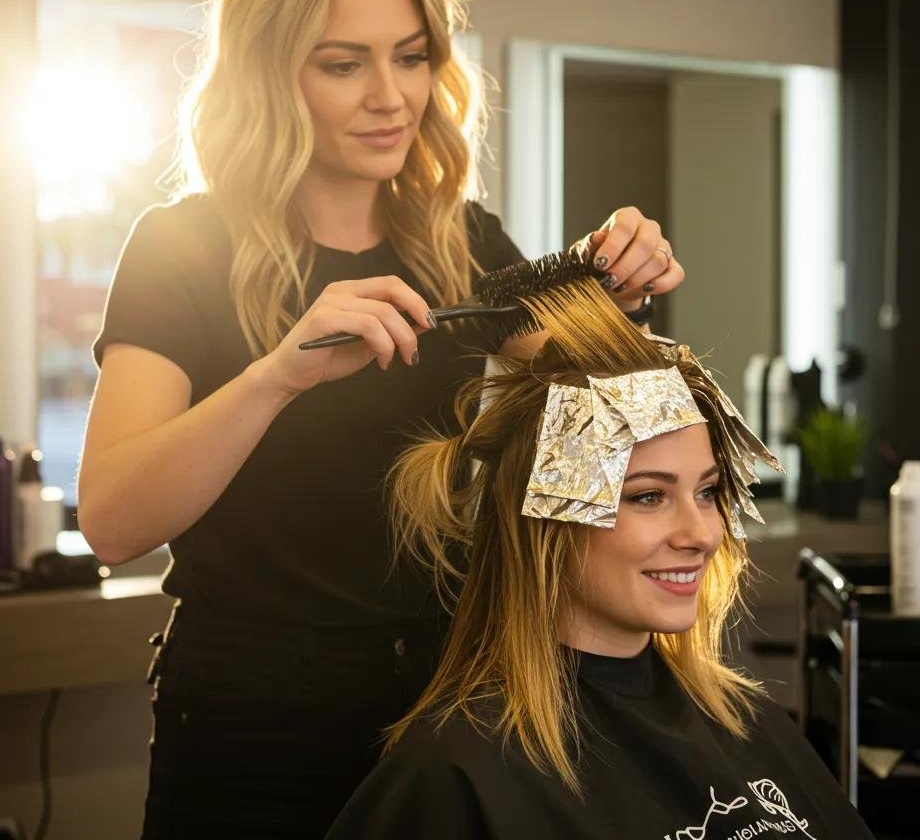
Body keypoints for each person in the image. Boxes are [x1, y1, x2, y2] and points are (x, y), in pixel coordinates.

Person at [77, 0, 684, 839]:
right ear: (269, 75)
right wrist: (278, 374)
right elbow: (113, 520)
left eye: (411, 56)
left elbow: (596, 453)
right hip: (249, 730)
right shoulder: (182, 248)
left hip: (442, 712)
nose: (391, 96)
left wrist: (615, 299)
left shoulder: (461, 244)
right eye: (342, 64)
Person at [324, 277, 876, 839]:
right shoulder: (459, 774)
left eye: (707, 492)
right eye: (647, 496)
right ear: (548, 521)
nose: (701, 532)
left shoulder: (746, 721)